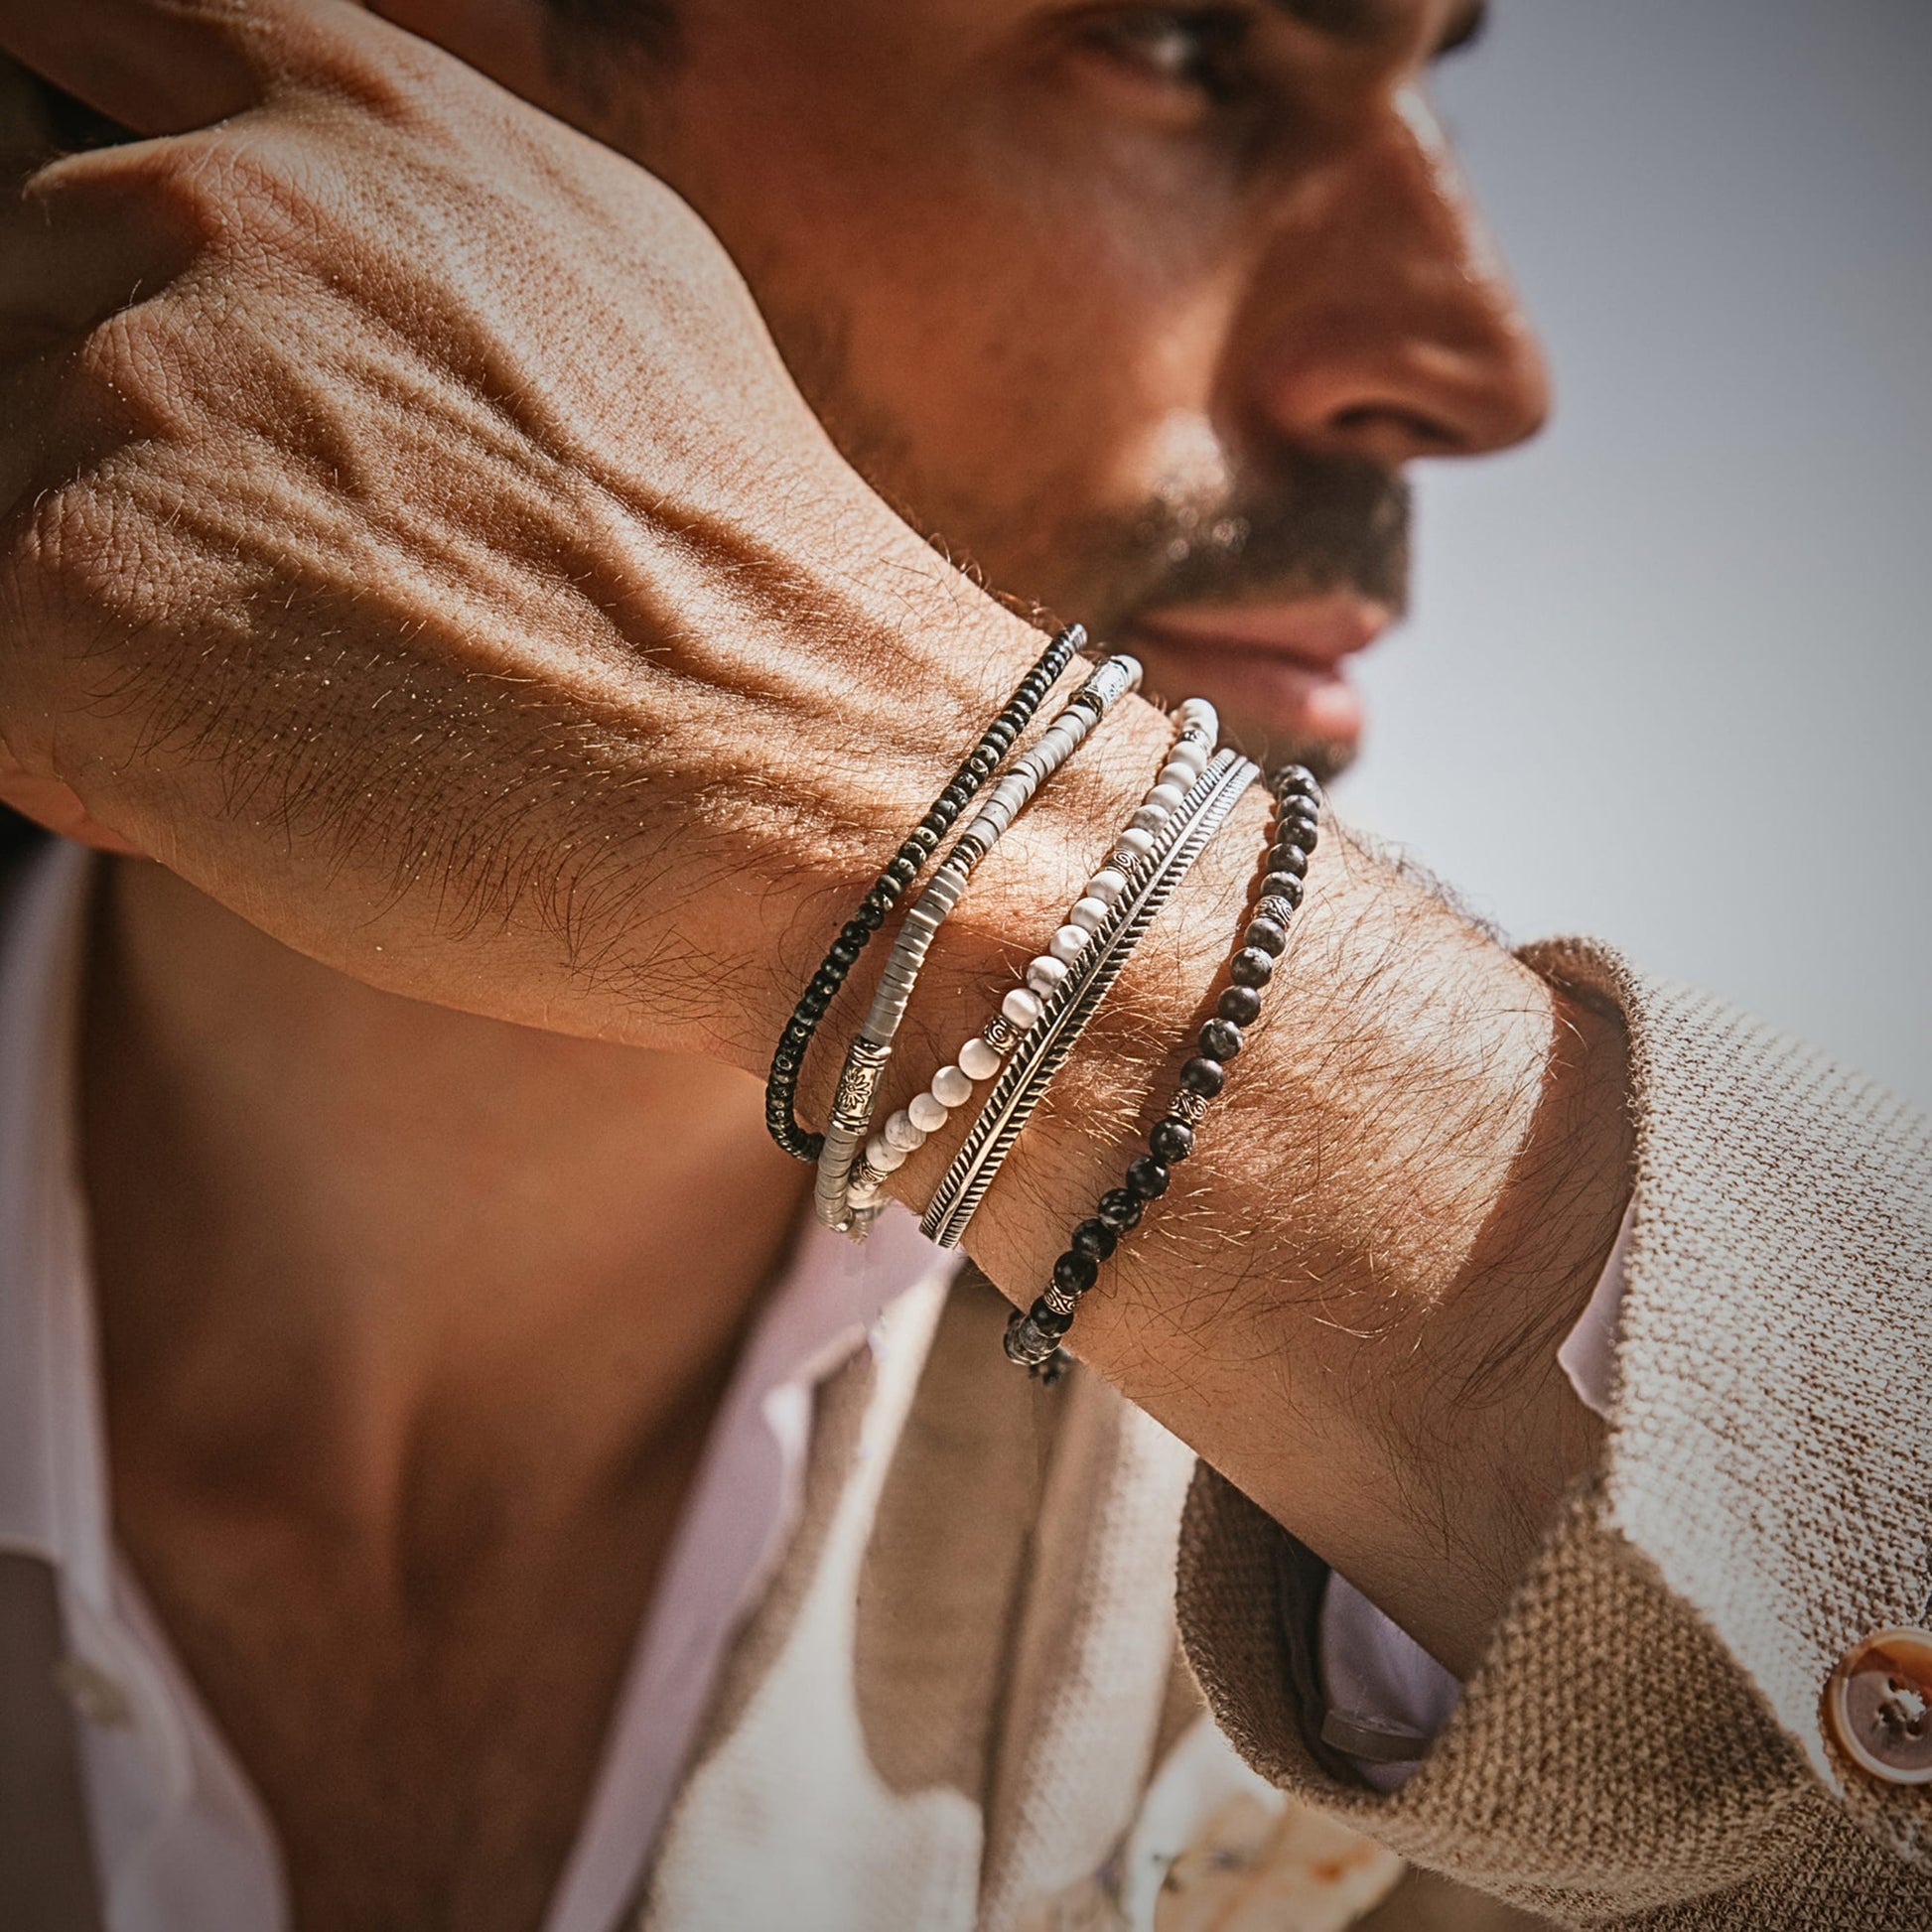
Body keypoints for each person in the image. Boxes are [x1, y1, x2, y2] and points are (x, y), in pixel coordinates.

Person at [0, 2, 1925, 1929]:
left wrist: (919, 818)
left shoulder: (1416, 1624)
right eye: (1182, 51)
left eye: (1436, 85)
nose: (1476, 362)